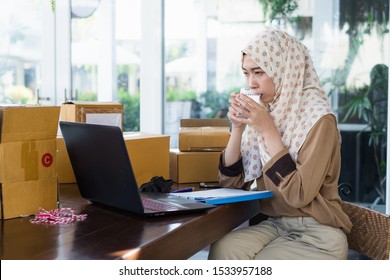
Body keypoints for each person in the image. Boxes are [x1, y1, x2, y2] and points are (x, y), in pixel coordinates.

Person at [208, 28, 353, 260]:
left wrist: (267, 129)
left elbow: (300, 195)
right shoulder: (270, 110)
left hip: (318, 231)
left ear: (284, 69)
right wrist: (237, 128)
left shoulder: (319, 119)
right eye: (246, 73)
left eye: (259, 72)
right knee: (223, 249)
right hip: (275, 224)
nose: (251, 83)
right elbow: (231, 184)